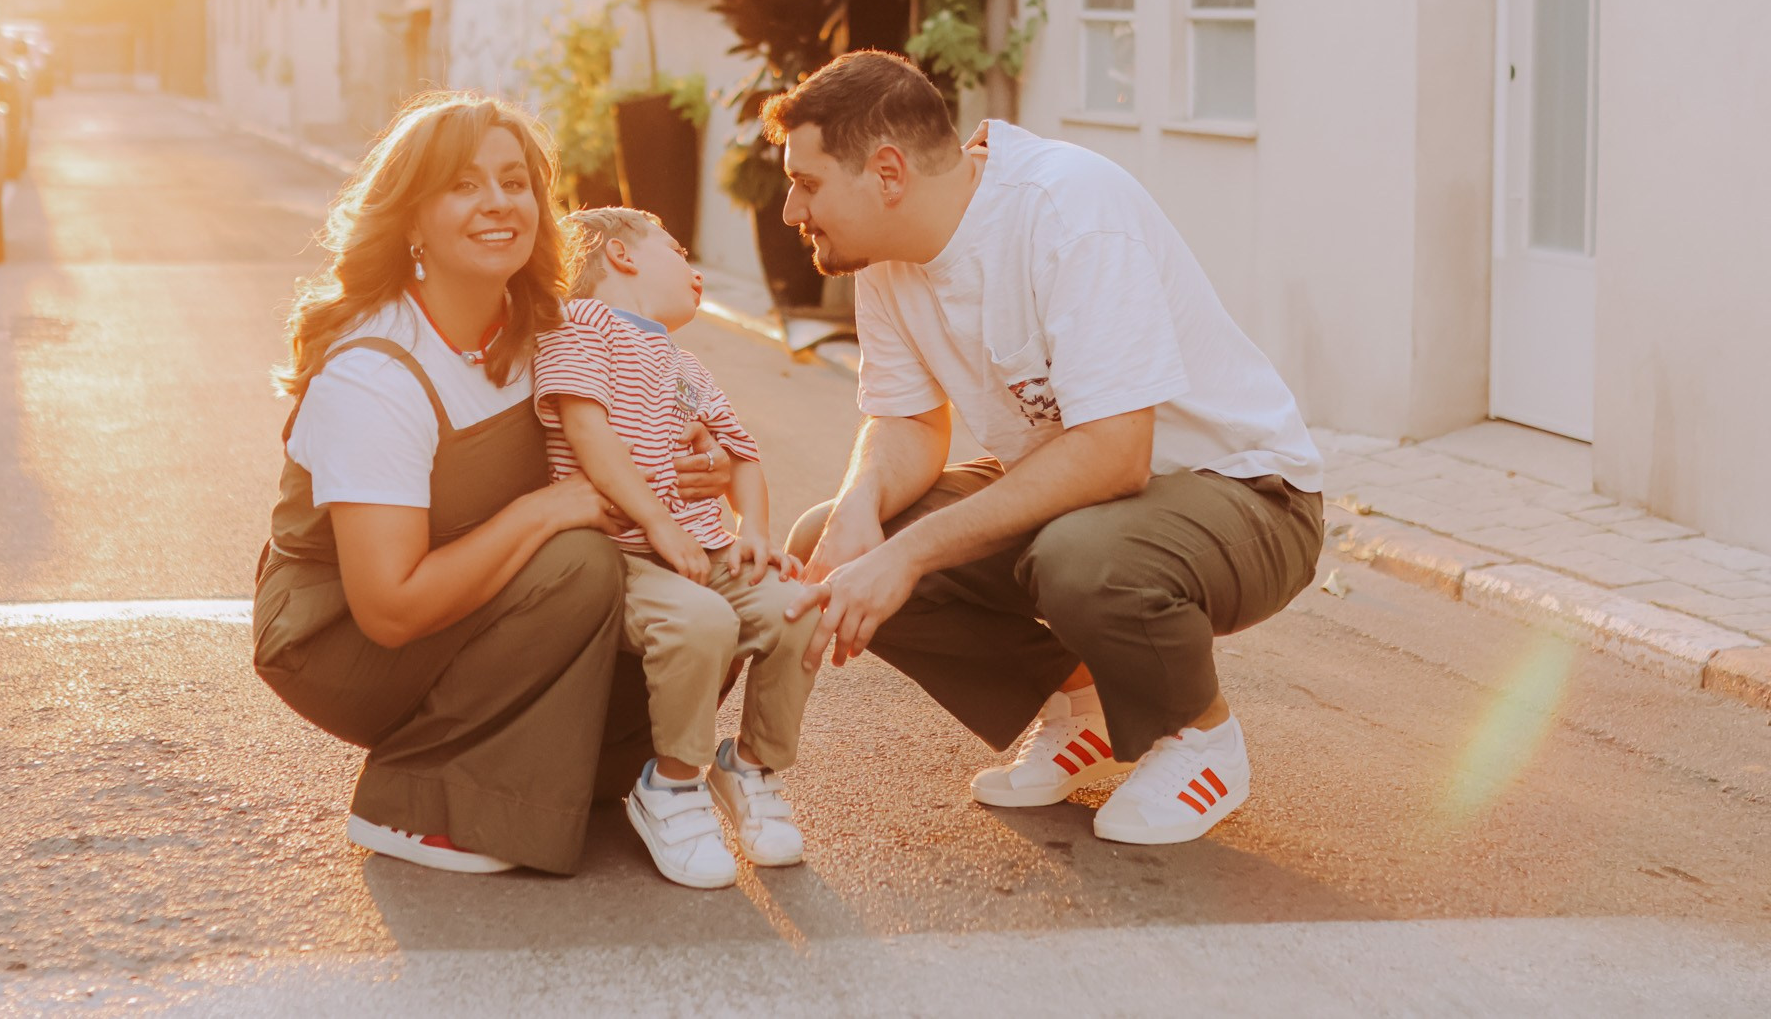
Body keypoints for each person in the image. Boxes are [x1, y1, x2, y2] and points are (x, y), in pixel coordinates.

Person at [774, 51, 1325, 846]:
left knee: (1076, 557)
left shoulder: (1067, 209)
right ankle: (1086, 707)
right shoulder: (885, 261)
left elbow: (1116, 452)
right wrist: (860, 512)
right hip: (1094, 497)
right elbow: (906, 424)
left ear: (887, 171)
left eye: (809, 181)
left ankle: (1200, 737)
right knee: (844, 541)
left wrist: (912, 554)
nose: (793, 206)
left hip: (1248, 495)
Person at [251, 94, 735, 877]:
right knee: (580, 561)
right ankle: (423, 802)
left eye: (515, 182)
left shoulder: (549, 326)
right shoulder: (376, 371)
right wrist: (546, 508)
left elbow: (637, 424)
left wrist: (697, 456)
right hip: (339, 637)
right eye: (463, 185)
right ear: (411, 218)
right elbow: (391, 606)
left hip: (479, 599)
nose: (499, 203)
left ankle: (583, 777)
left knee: (713, 591)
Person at [533, 208, 816, 890]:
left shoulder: (683, 364)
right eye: (678, 248)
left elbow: (743, 454)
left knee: (801, 607)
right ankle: (673, 783)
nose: (694, 267)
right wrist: (658, 521)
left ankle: (749, 764)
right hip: (618, 551)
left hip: (702, 548)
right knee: (702, 621)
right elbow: (588, 430)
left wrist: (755, 533)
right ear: (621, 256)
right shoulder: (579, 327)